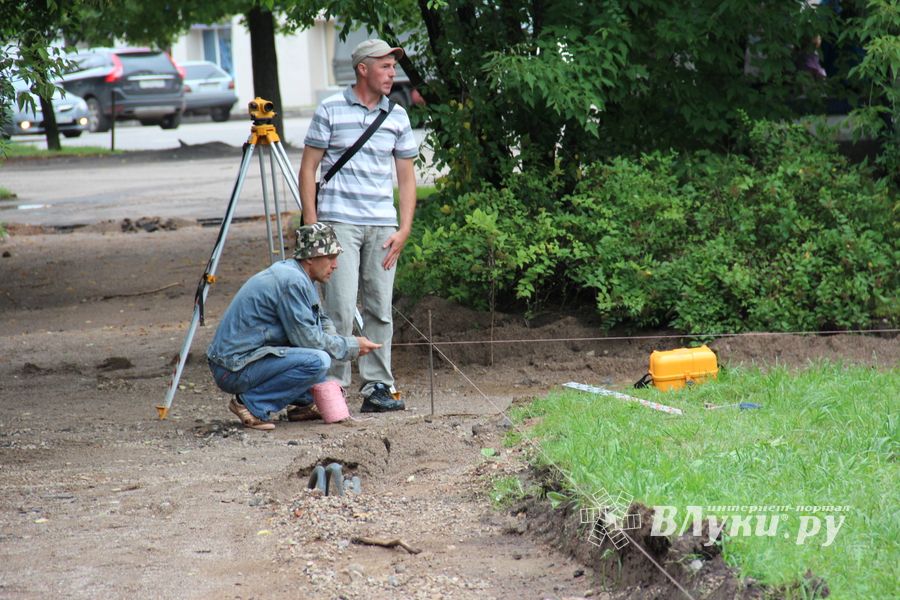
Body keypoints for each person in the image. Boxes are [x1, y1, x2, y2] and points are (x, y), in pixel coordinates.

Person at [299, 38, 419, 412]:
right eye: (385, 66)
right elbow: (308, 168)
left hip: (383, 226)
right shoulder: (331, 109)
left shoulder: (397, 116)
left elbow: (407, 177)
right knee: (337, 309)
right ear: (363, 68)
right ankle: (331, 387)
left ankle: (377, 387)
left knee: (380, 308)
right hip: (339, 225)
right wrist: (313, 224)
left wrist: (404, 228)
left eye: (393, 66)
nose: (392, 73)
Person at [206, 223, 381, 430]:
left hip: (239, 362)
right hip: (233, 368)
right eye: (330, 257)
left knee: (317, 355)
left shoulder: (300, 276)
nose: (336, 265)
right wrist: (349, 346)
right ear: (309, 258)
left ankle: (302, 406)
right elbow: (307, 339)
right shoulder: (292, 281)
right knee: (318, 361)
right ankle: (250, 404)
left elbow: (321, 320)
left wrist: (336, 340)